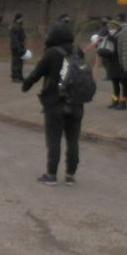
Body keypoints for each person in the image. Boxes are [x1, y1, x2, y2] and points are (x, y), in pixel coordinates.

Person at [21, 22, 86, 184]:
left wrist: (26, 85)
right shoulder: (79, 51)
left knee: (54, 139)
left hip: (54, 102)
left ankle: (51, 175)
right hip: (76, 102)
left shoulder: (51, 53)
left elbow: (37, 73)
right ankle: (70, 175)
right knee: (72, 140)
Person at [95, 20, 127, 110]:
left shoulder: (122, 36)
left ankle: (123, 102)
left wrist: (112, 39)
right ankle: (115, 101)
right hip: (112, 64)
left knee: (124, 84)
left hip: (121, 64)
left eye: (113, 28)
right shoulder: (108, 36)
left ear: (117, 28)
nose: (111, 29)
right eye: (109, 28)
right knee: (115, 84)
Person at [9, 13, 27, 82]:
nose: (22, 19)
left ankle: (20, 76)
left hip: (20, 46)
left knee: (20, 62)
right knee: (16, 62)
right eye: (21, 18)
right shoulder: (15, 27)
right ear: (18, 18)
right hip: (16, 47)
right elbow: (15, 39)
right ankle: (15, 77)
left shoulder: (18, 26)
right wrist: (18, 47)